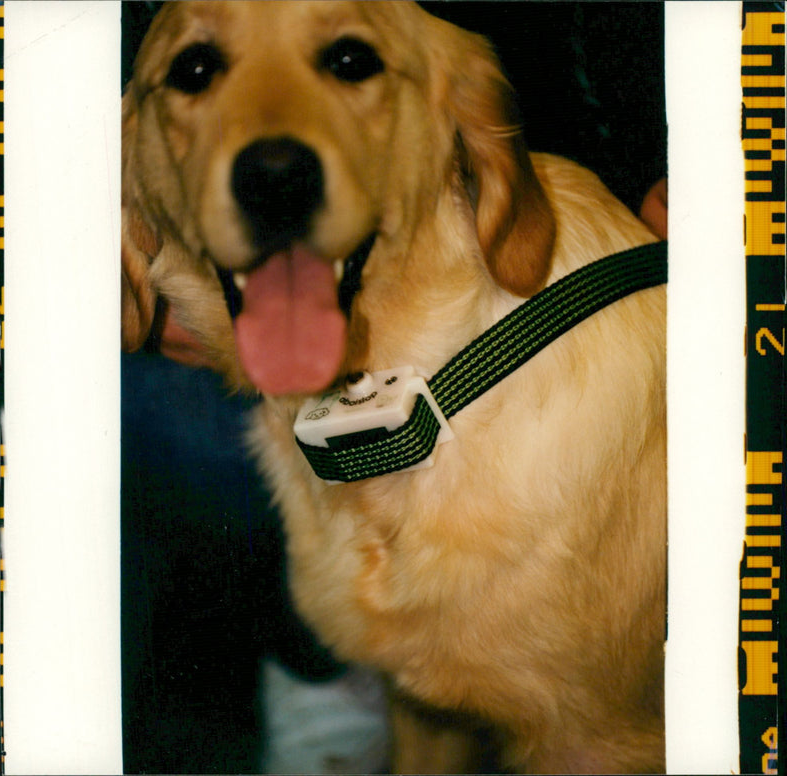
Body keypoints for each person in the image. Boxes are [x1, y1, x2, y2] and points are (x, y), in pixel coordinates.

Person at [121, 3, 667, 773]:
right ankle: (334, 681)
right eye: (197, 69)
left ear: (460, 126)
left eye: (350, 62)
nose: (271, 150)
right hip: (299, 429)